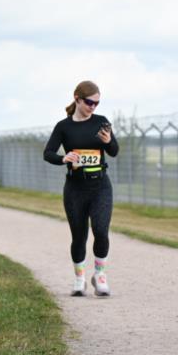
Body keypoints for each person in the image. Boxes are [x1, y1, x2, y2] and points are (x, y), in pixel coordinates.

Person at [43, 80, 119, 297]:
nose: (93, 107)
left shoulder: (101, 122)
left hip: (100, 186)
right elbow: (48, 153)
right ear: (77, 98)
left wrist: (108, 141)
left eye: (97, 103)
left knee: (101, 231)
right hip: (75, 188)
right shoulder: (63, 126)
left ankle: (100, 276)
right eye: (89, 102)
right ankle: (79, 279)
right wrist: (63, 158)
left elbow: (114, 151)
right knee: (79, 236)